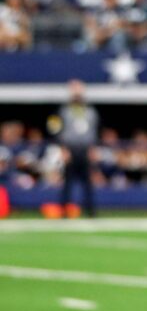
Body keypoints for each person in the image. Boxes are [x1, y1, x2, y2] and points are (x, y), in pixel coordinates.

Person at [49, 80, 99, 217]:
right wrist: (63, 149)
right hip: (70, 149)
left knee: (88, 183)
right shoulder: (63, 111)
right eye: (74, 90)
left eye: (79, 90)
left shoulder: (90, 111)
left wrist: (92, 148)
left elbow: (94, 131)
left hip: (85, 149)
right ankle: (64, 210)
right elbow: (56, 129)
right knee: (67, 183)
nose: (77, 93)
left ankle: (91, 212)